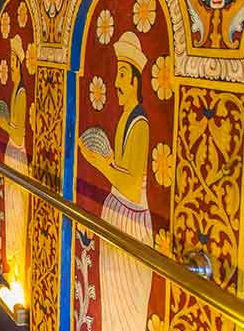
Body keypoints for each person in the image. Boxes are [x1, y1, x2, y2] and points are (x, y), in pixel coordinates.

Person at [77, 31, 152, 331]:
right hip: (117, 214)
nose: (117, 83)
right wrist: (104, 163)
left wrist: (99, 164)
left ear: (135, 80)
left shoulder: (140, 124)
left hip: (131, 220)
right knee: (110, 305)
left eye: (122, 75)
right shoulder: (124, 118)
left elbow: (132, 185)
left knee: (127, 311)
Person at [0, 35, 28, 283]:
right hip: (12, 154)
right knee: (11, 208)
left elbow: (17, 131)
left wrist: (2, 122)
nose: (12, 68)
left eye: (14, 63)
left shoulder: (23, 92)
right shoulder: (17, 89)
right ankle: (12, 261)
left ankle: (15, 262)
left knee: (16, 211)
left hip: (18, 156)